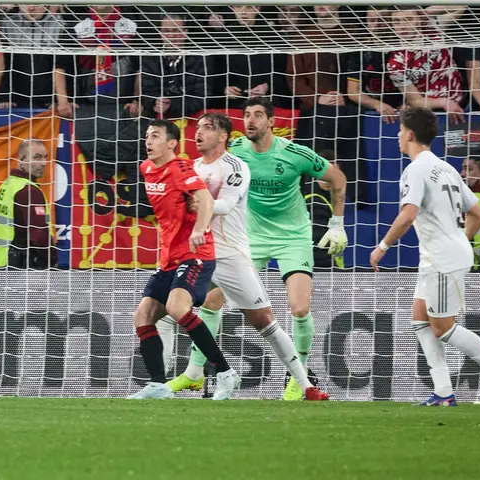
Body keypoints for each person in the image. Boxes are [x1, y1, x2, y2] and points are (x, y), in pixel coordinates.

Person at [163, 112, 328, 400]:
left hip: (233, 254)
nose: (197, 133)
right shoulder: (192, 167)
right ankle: (183, 375)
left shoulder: (236, 166)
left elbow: (225, 205)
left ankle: (304, 383)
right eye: (197, 127)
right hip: (203, 253)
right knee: (165, 310)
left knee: (266, 320)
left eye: (206, 128)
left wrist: (198, 205)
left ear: (223, 136)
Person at [369, 106, 480, 407]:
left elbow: (408, 214)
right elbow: (477, 213)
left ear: (409, 135)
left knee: (443, 327)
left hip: (442, 258)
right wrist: (460, 240)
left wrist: (383, 246)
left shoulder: (415, 170)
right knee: (420, 321)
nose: (398, 136)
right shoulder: (446, 168)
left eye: (400, 130)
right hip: (439, 255)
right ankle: (443, 392)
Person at [228, 97, 348, 399]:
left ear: (271, 122)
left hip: (292, 237)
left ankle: (299, 376)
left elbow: (337, 178)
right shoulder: (235, 150)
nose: (250, 120)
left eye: (258, 115)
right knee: (213, 300)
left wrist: (337, 224)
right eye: (247, 114)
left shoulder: (295, 154)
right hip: (252, 237)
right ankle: (197, 372)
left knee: (300, 308)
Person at [129, 119, 240, 400]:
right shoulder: (146, 168)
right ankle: (158, 385)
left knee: (177, 307)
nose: (148, 141)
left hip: (196, 254)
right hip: (169, 257)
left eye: (156, 136)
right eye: (147, 136)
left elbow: (205, 199)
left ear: (172, 144)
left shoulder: (180, 168)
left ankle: (225, 372)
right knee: (142, 316)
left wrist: (199, 229)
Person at [0, 139, 58, 269]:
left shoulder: (9, 183)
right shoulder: (28, 190)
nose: (43, 163)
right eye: (37, 157)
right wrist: (51, 260)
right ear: (22, 159)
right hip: (19, 264)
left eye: (45, 157)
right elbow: (38, 234)